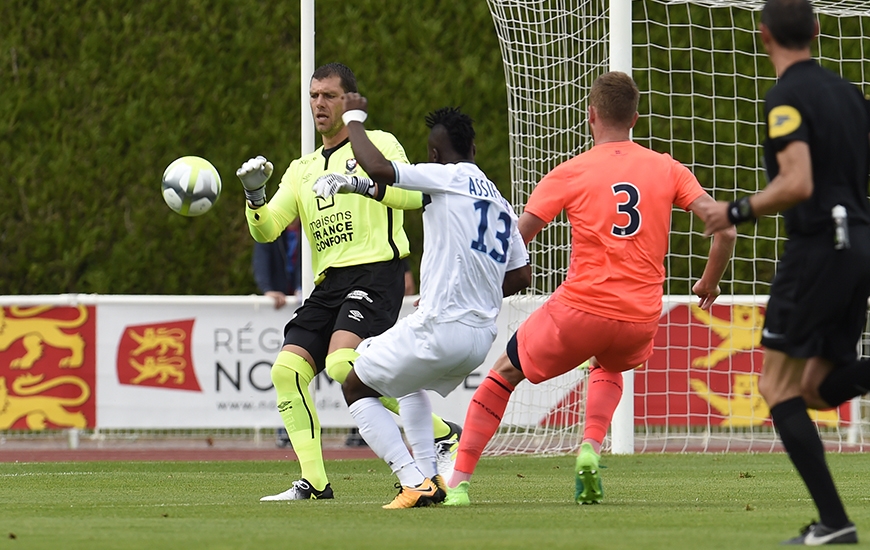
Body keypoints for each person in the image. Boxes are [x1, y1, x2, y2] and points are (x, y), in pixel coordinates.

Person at [441, 71, 736, 507]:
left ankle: (459, 482)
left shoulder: (570, 172)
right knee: (610, 365)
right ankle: (590, 450)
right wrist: (708, 281)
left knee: (504, 373)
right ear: (634, 118)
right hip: (639, 319)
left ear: (590, 115)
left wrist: (469, 283)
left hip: (579, 311)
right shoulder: (668, 168)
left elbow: (517, 240)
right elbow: (726, 230)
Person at [236, 62, 461, 501]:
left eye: (329, 96)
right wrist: (254, 197)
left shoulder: (378, 143)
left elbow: (414, 195)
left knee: (342, 364)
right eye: (314, 95)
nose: (319, 104)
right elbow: (267, 229)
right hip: (330, 283)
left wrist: (359, 183)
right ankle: (315, 483)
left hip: (377, 272)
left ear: (349, 101)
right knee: (286, 371)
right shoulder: (301, 169)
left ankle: (440, 432)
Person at [700, 0, 869, 544]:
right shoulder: (850, 96)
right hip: (860, 245)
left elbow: (797, 182)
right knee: (817, 388)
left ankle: (835, 523)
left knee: (776, 385)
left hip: (819, 246)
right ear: (817, 31)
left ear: (764, 34)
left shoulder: (786, 96)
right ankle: (833, 522)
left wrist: (734, 210)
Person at [312, 100, 531, 508]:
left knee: (355, 384)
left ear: (434, 154)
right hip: (479, 338)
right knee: (406, 384)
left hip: (441, 325)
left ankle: (411, 479)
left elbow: (380, 168)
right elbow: (521, 275)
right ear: (474, 150)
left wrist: (354, 119)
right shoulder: (497, 199)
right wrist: (353, 187)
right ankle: (430, 477)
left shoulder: (444, 176)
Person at [253, 219, 302, 310]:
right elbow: (261, 262)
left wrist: (302, 288)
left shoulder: (310, 228)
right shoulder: (269, 228)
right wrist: (268, 290)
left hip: (304, 299)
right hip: (277, 300)